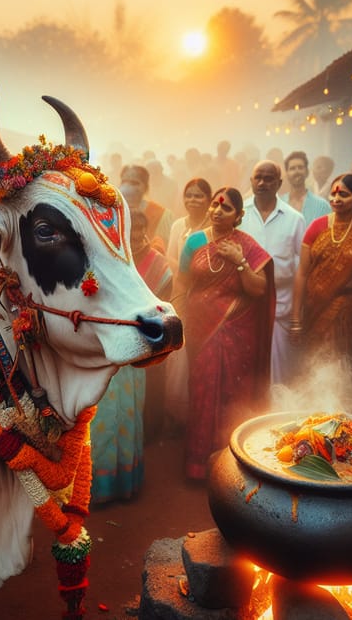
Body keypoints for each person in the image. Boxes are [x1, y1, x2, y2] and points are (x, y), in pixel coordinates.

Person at [177, 187, 275, 480]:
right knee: (202, 389)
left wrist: (240, 260)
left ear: (239, 216)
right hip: (199, 330)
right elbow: (182, 284)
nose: (218, 210)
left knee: (233, 393)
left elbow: (259, 289)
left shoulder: (247, 245)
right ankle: (198, 463)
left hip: (236, 334)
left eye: (227, 207)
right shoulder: (194, 240)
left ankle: (229, 463)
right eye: (216, 204)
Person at [90, 210, 173, 503]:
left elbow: (163, 305)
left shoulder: (153, 263)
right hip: (102, 346)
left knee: (126, 413)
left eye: (138, 230)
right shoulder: (100, 257)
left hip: (133, 347)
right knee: (98, 417)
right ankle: (97, 487)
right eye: (127, 230)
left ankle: (124, 482)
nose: (133, 236)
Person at [290, 174, 352, 384]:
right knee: (313, 366)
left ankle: (344, 410)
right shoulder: (317, 226)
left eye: (344, 194)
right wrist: (296, 319)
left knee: (343, 367)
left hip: (351, 310)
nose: (336, 199)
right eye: (333, 193)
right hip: (315, 308)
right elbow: (302, 273)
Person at [241, 160, 305, 385]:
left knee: (278, 377)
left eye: (269, 179)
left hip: (281, 310)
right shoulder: (239, 215)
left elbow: (302, 271)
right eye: (258, 178)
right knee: (246, 373)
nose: (262, 183)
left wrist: (297, 317)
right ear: (251, 181)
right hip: (244, 309)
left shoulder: (295, 219)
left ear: (279, 183)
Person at [164, 178, 212, 434]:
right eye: (189, 195)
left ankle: (199, 414)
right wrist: (184, 277)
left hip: (207, 296)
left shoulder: (213, 228)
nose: (193, 200)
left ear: (209, 199)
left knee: (201, 355)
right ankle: (176, 415)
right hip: (182, 292)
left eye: (199, 196)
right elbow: (171, 258)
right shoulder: (177, 226)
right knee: (177, 358)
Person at [119, 164, 173, 252]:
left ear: (145, 187)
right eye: (124, 182)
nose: (128, 187)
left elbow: (165, 250)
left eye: (134, 183)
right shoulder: (112, 212)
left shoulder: (161, 215)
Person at [281, 151, 331, 226]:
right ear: (286, 174)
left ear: (307, 172)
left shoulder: (322, 206)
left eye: (300, 167)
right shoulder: (279, 204)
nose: (297, 171)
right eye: (292, 168)